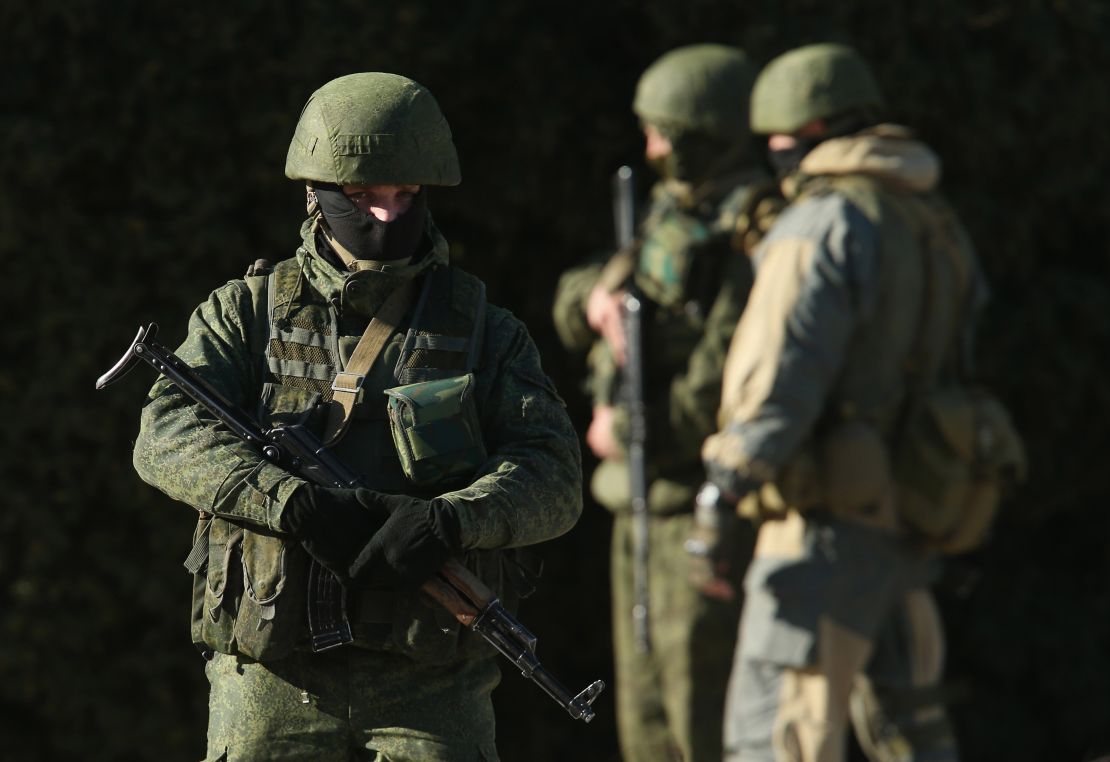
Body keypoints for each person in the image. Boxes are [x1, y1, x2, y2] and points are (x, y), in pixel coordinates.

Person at [132, 72, 583, 762]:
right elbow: (166, 436)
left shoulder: (486, 330)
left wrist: (455, 519)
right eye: (362, 195)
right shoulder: (245, 314)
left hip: (430, 678)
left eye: (405, 196)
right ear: (315, 192)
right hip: (273, 681)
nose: (384, 216)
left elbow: (552, 475)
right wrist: (291, 501)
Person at [700, 43, 982, 761]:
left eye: (778, 145)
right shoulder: (930, 218)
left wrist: (726, 482)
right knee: (908, 729)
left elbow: (779, 377)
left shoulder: (820, 225)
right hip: (913, 509)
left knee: (772, 738)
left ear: (808, 133)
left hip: (821, 526)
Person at [552, 44, 778, 762]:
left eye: (664, 135)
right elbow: (582, 297)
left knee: (697, 711)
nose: (651, 150)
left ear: (704, 137)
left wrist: (623, 428)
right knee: (645, 715)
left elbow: (723, 383)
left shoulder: (750, 234)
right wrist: (596, 301)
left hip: (697, 504)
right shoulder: (673, 210)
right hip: (640, 499)